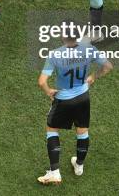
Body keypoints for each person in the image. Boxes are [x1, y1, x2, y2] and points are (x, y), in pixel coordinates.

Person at [37, 36, 113, 184]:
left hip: (64, 99)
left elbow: (41, 82)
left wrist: (48, 91)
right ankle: (79, 166)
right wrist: (93, 76)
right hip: (83, 97)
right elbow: (108, 66)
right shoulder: (88, 48)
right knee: (82, 131)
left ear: (63, 37)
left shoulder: (55, 54)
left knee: (52, 129)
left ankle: (54, 173)